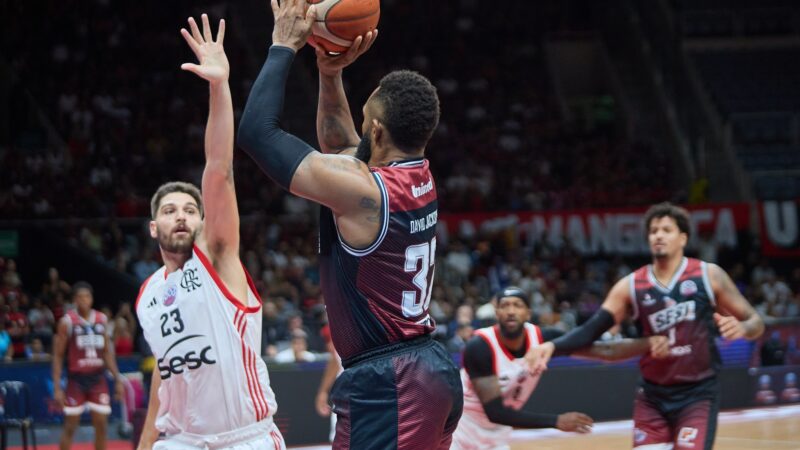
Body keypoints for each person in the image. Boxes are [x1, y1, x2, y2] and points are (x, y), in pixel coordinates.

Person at [237, 1, 463, 448]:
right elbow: (343, 147)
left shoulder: (365, 192)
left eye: (365, 122)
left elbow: (256, 134)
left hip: (392, 384)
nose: (359, 131)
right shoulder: (416, 175)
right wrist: (328, 73)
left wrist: (283, 46)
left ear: (376, 132)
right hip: (423, 371)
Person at [134, 15, 283, 450]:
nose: (180, 216)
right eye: (168, 210)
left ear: (202, 223)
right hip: (180, 440)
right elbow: (165, 379)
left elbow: (218, 171)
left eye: (189, 209)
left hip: (245, 439)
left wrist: (219, 88)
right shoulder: (147, 296)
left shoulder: (216, 259)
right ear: (152, 227)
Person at [529, 202, 765, 450]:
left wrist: (744, 329)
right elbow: (591, 331)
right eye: (653, 231)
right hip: (653, 396)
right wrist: (553, 346)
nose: (658, 235)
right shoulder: (631, 285)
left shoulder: (708, 275)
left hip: (698, 394)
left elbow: (756, 321)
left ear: (683, 238)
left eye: (666, 230)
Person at [452, 287, 668, 450]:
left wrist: (649, 343)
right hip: (461, 429)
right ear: (496, 313)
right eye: (505, 306)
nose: (511, 311)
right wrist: (557, 421)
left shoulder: (544, 339)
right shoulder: (479, 346)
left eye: (517, 305)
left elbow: (606, 350)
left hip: (497, 436)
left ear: (528, 313)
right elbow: (496, 413)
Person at [52, 281, 125, 450]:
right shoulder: (67, 322)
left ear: (92, 298)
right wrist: (57, 387)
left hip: (97, 378)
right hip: (76, 379)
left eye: (87, 296)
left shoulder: (102, 319)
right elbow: (58, 355)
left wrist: (118, 379)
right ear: (74, 301)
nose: (84, 300)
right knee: (70, 426)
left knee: (101, 426)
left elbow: (107, 352)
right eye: (80, 297)